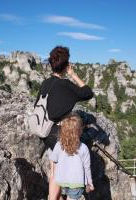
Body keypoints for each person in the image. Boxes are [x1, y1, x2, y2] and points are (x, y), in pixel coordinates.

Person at [34, 46, 93, 199]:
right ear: (66, 65)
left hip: (46, 132)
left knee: (54, 172)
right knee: (61, 172)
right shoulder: (66, 85)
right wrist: (73, 74)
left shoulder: (45, 83)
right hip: (60, 133)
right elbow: (88, 93)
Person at [49, 113, 94, 200]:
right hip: (76, 184)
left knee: (59, 195)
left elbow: (53, 159)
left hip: (61, 180)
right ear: (80, 131)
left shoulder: (59, 145)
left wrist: (53, 174)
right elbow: (87, 167)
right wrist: (90, 182)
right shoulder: (84, 148)